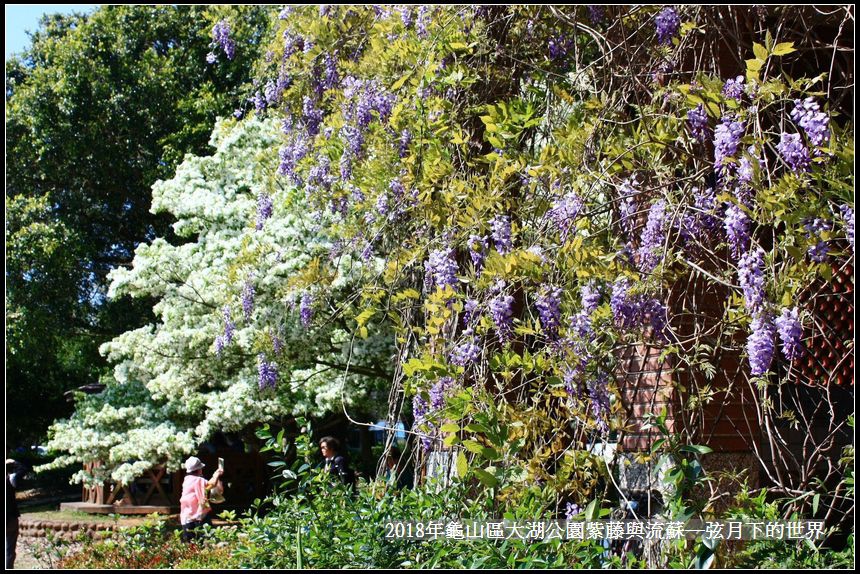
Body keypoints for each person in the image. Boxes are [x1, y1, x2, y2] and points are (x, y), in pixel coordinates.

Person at [179, 456, 223, 542]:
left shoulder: (187, 479)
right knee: (206, 538)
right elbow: (212, 484)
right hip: (198, 516)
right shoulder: (198, 480)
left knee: (189, 543)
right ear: (199, 470)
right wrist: (217, 474)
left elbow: (207, 485)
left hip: (186, 517)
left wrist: (215, 475)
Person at [6, 459, 21, 569]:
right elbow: (23, 469)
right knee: (10, 548)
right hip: (10, 517)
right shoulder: (10, 479)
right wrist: (14, 462)